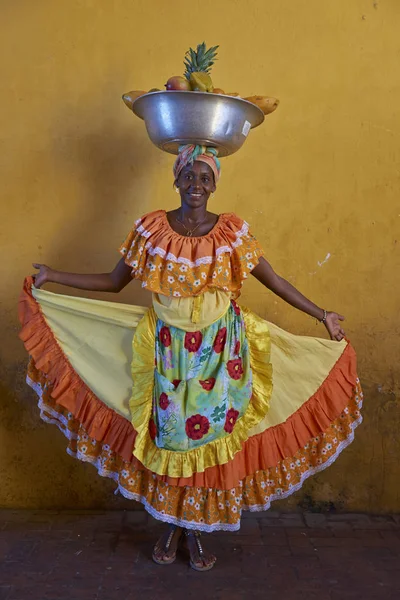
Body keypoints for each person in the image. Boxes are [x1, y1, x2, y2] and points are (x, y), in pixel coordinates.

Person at [19, 145, 362, 572]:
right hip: (167, 353)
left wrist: (322, 314)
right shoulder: (152, 232)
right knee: (171, 438)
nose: (196, 186)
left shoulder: (231, 234)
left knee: (208, 440)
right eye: (189, 176)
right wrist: (55, 276)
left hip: (222, 353)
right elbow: (112, 281)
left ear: (215, 184)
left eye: (205, 178)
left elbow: (274, 280)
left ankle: (192, 531)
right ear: (176, 180)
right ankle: (173, 525)